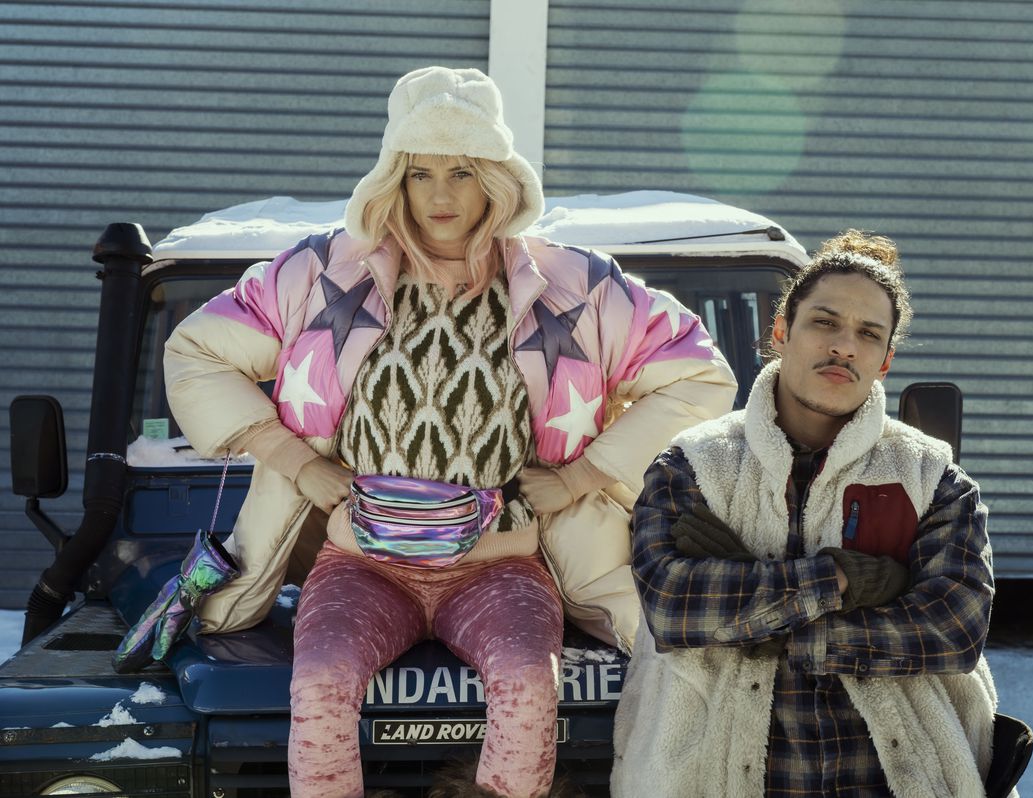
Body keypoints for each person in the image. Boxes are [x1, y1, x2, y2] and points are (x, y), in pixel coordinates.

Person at [113, 66, 736, 798]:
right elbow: (197, 350)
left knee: (530, 686)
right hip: (360, 564)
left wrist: (580, 477)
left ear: (496, 179)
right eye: (421, 173)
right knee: (315, 686)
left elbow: (700, 375)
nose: (441, 196)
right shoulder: (319, 273)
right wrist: (291, 459)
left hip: (502, 564)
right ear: (393, 181)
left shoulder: (577, 286)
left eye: (463, 172)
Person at [612, 231, 1007, 797]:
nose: (845, 345)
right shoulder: (692, 465)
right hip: (713, 778)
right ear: (780, 332)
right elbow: (674, 609)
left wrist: (771, 628)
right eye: (825, 322)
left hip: (897, 779)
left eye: (868, 334)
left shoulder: (930, 476)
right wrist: (845, 578)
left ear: (885, 359)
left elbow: (954, 629)